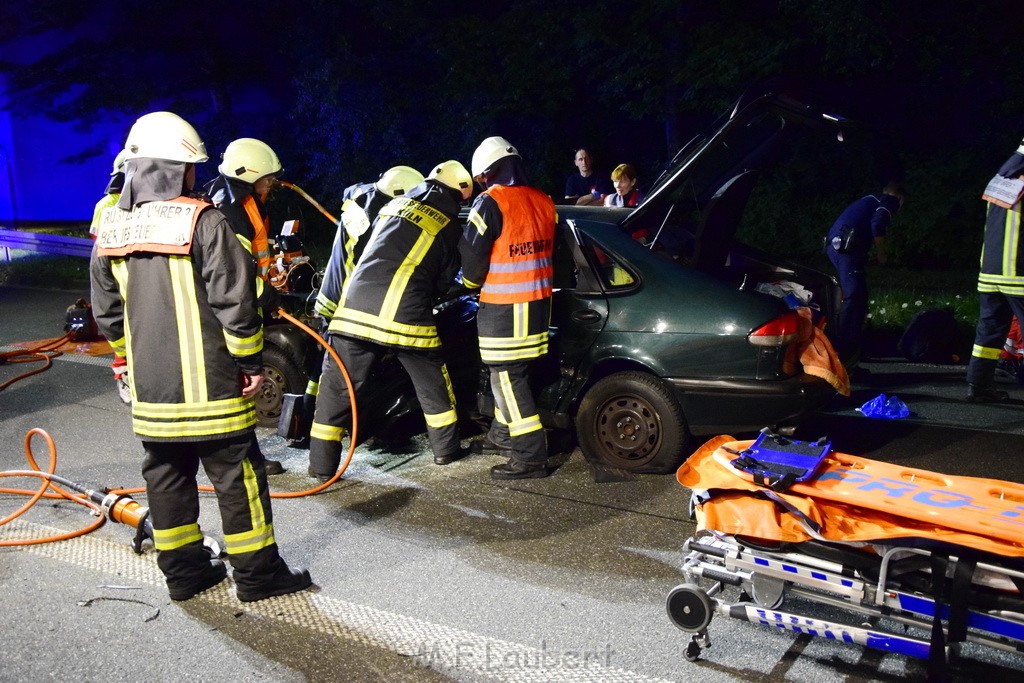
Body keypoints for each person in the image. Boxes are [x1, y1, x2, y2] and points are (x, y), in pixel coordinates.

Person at [89, 112, 312, 603]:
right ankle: (257, 576)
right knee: (237, 475)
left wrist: (127, 363)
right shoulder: (203, 220)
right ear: (178, 170)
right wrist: (250, 363)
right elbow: (236, 303)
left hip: (153, 391)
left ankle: (186, 576)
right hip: (213, 385)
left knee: (166, 477)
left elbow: (106, 311)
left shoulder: (111, 226)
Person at [307, 160, 474, 479]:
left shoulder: (394, 206)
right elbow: (443, 281)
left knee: (337, 389)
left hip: (354, 310)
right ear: (458, 194)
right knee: (432, 384)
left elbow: (364, 252)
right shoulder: (450, 224)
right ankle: (446, 451)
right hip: (406, 317)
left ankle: (321, 466)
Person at [292, 165, 424, 448]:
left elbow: (354, 188)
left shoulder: (362, 198)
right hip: (346, 303)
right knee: (339, 376)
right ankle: (325, 433)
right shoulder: (374, 220)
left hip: (331, 298)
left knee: (324, 372)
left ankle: (304, 424)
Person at [462, 137, 558, 480]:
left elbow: (472, 265)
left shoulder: (490, 203)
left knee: (507, 381)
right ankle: (502, 436)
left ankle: (530, 457)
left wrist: (466, 286)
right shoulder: (544, 201)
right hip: (537, 308)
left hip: (504, 311)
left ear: (486, 174)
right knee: (514, 378)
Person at [204, 138, 285, 473]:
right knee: (236, 380)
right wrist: (265, 294)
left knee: (233, 383)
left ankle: (240, 453)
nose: (272, 182)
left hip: (234, 302)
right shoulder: (232, 210)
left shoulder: (238, 198)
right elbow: (233, 269)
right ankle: (245, 458)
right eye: (267, 176)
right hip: (229, 308)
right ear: (249, 173)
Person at [966, 138, 1024, 402]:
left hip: (989, 274)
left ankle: (978, 387)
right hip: (1018, 273)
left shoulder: (1001, 179)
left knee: (988, 334)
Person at [824, 182, 906, 358]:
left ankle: (851, 348)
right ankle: (842, 351)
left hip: (837, 245)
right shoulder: (889, 200)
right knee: (854, 296)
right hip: (846, 248)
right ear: (900, 198)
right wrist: (882, 254)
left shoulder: (871, 199)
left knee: (857, 295)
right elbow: (877, 225)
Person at [89, 148, 131, 404]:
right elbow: (99, 242)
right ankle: (123, 378)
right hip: (113, 272)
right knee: (117, 323)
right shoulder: (106, 205)